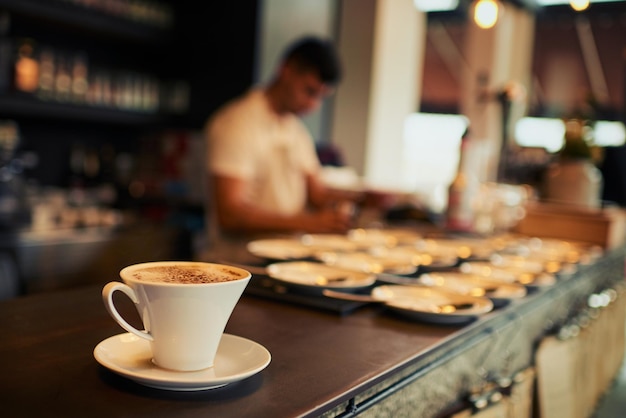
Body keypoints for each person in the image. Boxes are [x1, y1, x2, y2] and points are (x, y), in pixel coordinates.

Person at [204, 36, 382, 238]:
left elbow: (317, 194)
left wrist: (363, 200)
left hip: (285, 253)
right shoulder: (237, 124)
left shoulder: (295, 129)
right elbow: (230, 214)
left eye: (321, 96)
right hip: (241, 261)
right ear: (286, 70)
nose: (314, 105)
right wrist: (310, 223)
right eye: (310, 91)